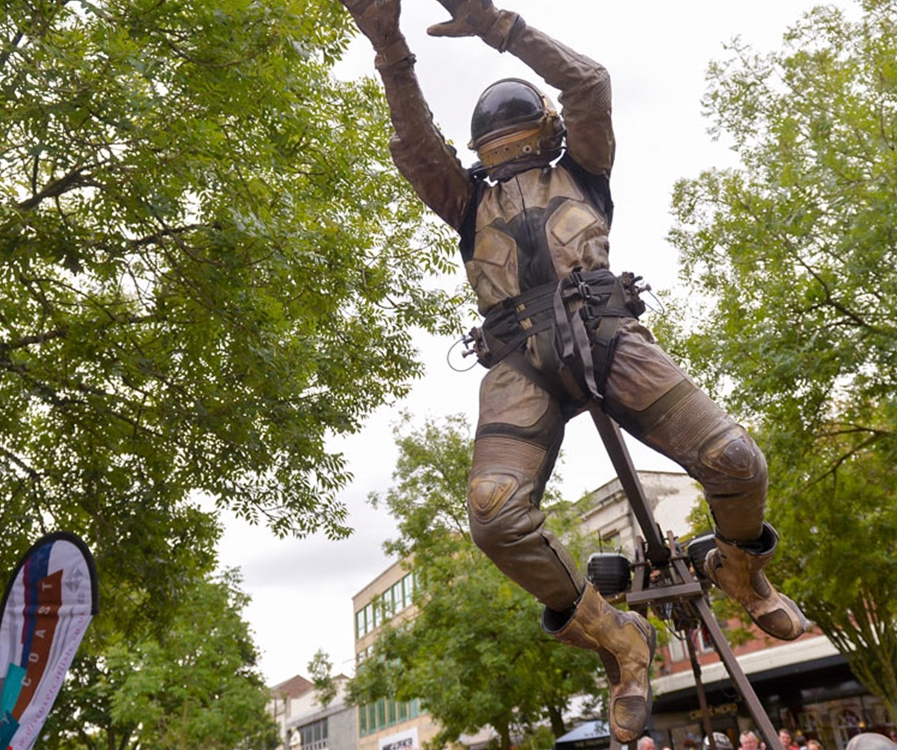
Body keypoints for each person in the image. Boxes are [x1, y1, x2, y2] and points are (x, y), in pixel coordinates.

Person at [335, 0, 812, 743]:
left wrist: (497, 25)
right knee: (494, 514)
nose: (509, 152)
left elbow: (590, 83)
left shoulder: (584, 173)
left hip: (610, 337)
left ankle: (742, 570)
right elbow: (416, 146)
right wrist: (388, 45)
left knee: (734, 459)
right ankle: (620, 640)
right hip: (518, 362)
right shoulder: (467, 204)